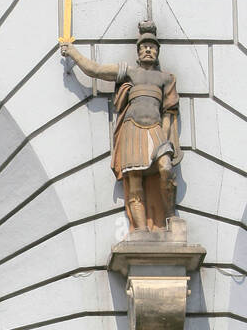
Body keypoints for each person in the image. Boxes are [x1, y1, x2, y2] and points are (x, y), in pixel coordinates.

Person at [60, 19, 181, 232]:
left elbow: (169, 113)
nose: (148, 51)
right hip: (132, 129)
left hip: (156, 130)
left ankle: (171, 216)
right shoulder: (128, 73)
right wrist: (73, 53)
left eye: (152, 47)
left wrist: (169, 139)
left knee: (166, 168)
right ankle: (142, 231)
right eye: (144, 47)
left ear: (157, 52)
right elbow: (95, 70)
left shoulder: (165, 78)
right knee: (134, 181)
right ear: (138, 52)